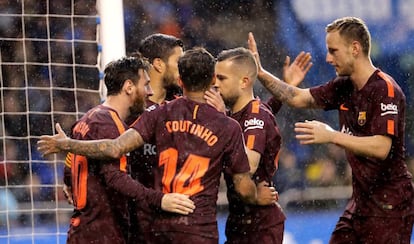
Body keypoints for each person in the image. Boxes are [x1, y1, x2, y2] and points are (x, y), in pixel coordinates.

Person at [38, 47, 274, 244]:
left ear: (180, 81)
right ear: (212, 80)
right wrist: (255, 197)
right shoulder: (228, 126)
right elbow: (243, 185)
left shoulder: (158, 114)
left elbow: (114, 148)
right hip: (198, 228)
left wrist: (69, 145)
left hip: (159, 228)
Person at [249, 16, 414, 243]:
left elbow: (381, 147)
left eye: (333, 51)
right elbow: (298, 98)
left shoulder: (385, 89)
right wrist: (260, 73)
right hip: (360, 201)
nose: (328, 58)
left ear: (355, 48)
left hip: (390, 204)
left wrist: (331, 136)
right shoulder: (343, 86)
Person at [59, 55, 195, 244]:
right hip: (103, 234)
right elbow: (115, 178)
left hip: (84, 230)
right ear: (129, 87)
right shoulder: (109, 124)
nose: (149, 92)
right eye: (146, 85)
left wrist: (70, 183)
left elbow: (69, 167)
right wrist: (160, 199)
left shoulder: (88, 119)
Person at [204, 47, 311, 244]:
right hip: (240, 220)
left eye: (222, 78)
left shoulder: (253, 116)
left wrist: (221, 119)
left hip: (259, 223)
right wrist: (284, 89)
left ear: (244, 81)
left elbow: (249, 164)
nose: (215, 85)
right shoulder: (243, 114)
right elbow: (260, 116)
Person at [127, 33, 184, 243]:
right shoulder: (131, 105)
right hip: (138, 215)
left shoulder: (183, 103)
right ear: (159, 64)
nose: (183, 68)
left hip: (177, 214)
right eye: (178, 62)